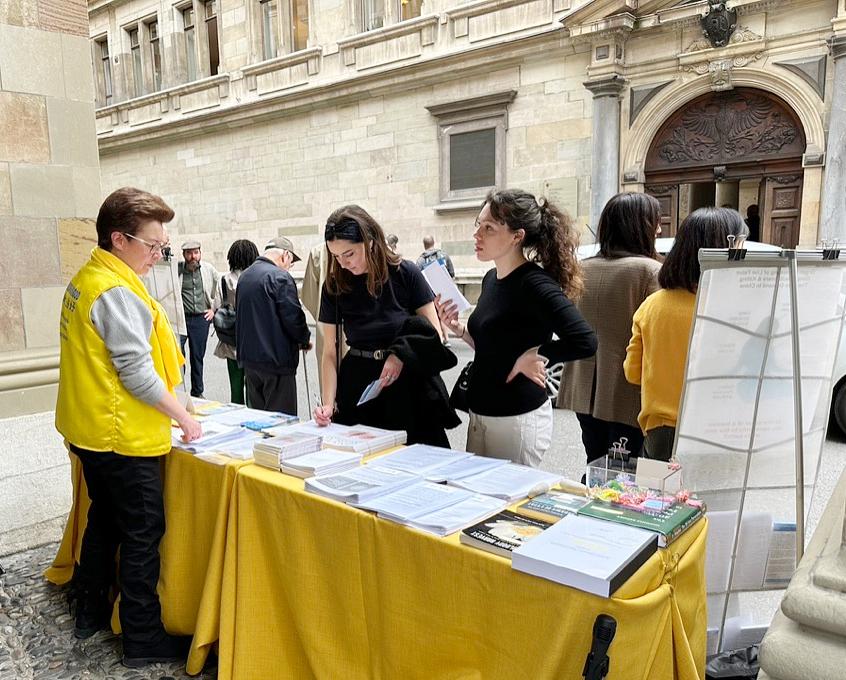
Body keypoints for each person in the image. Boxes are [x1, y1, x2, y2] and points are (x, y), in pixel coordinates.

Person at [55, 187, 202, 667]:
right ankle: (142, 639)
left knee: (105, 519)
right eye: (152, 245)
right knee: (142, 531)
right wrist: (182, 415)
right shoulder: (116, 290)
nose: (159, 255)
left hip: (90, 430)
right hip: (123, 437)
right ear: (119, 238)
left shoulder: (90, 276)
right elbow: (136, 373)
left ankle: (90, 609)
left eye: (163, 245)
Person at [436, 189, 598, 467]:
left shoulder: (535, 284)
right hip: (481, 412)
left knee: (508, 505)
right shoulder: (491, 278)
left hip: (517, 417)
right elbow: (496, 346)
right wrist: (461, 331)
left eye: (489, 228)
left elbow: (585, 340)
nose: (478, 234)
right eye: (479, 224)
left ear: (516, 236)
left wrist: (535, 353)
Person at [313, 205, 459, 446]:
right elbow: (330, 351)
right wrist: (328, 404)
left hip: (407, 384)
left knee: (419, 465)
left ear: (370, 241)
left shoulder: (406, 273)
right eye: (336, 257)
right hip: (359, 387)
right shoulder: (335, 284)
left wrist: (400, 354)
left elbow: (431, 332)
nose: (343, 264)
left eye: (349, 254)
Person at [624, 207, 749, 461]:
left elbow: (632, 373)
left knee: (662, 499)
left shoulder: (652, 306)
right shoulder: (735, 308)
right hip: (720, 429)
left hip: (662, 431)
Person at [557, 192, 663, 465]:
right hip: (627, 390)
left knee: (596, 461)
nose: (660, 229)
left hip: (584, 387)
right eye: (656, 222)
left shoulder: (583, 269)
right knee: (624, 473)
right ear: (643, 226)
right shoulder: (650, 271)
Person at [236, 236, 311, 414]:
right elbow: (293, 317)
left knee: (259, 419)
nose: (289, 267)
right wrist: (304, 338)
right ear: (285, 255)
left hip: (250, 362)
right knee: (281, 423)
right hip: (276, 362)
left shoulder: (245, 276)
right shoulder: (280, 277)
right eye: (291, 262)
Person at [213, 239, 259, 404]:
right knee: (253, 388)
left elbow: (217, 306)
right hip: (253, 341)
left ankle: (237, 418)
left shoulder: (224, 280)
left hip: (231, 341)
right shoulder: (256, 278)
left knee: (236, 388)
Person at [178, 240, 220, 398]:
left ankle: (197, 392)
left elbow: (221, 285)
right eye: (189, 253)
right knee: (178, 356)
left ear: (200, 253)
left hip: (201, 319)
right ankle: (179, 392)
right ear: (184, 255)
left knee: (197, 357)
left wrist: (214, 309)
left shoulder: (208, 269)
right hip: (181, 319)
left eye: (195, 252)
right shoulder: (178, 270)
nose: (192, 256)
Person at [416, 235, 457, 345]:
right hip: (444, 290)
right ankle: (447, 338)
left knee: (434, 316)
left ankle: (439, 338)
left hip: (429, 292)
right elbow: (452, 273)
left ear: (424, 245)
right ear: (434, 242)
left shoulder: (420, 260)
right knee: (443, 313)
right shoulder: (443, 255)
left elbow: (418, 279)